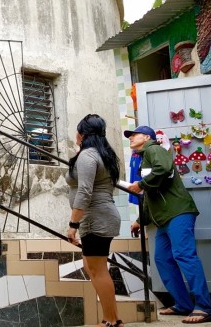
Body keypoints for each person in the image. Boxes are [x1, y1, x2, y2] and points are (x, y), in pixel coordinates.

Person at [127, 126, 211, 324]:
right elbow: (151, 195)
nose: (131, 138)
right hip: (164, 218)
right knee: (162, 259)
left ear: (146, 137)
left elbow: (164, 169)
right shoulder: (144, 157)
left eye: (134, 134)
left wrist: (140, 184)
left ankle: (204, 307)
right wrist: (139, 221)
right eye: (130, 136)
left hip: (178, 213)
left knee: (184, 255)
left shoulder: (154, 149)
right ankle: (183, 304)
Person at [65, 114, 123, 327]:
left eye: (78, 131)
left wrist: (73, 225)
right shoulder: (101, 154)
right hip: (98, 217)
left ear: (83, 134)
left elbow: (85, 191)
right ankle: (113, 318)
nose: (76, 135)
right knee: (92, 268)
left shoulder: (89, 156)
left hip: (96, 219)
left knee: (97, 270)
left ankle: (111, 320)